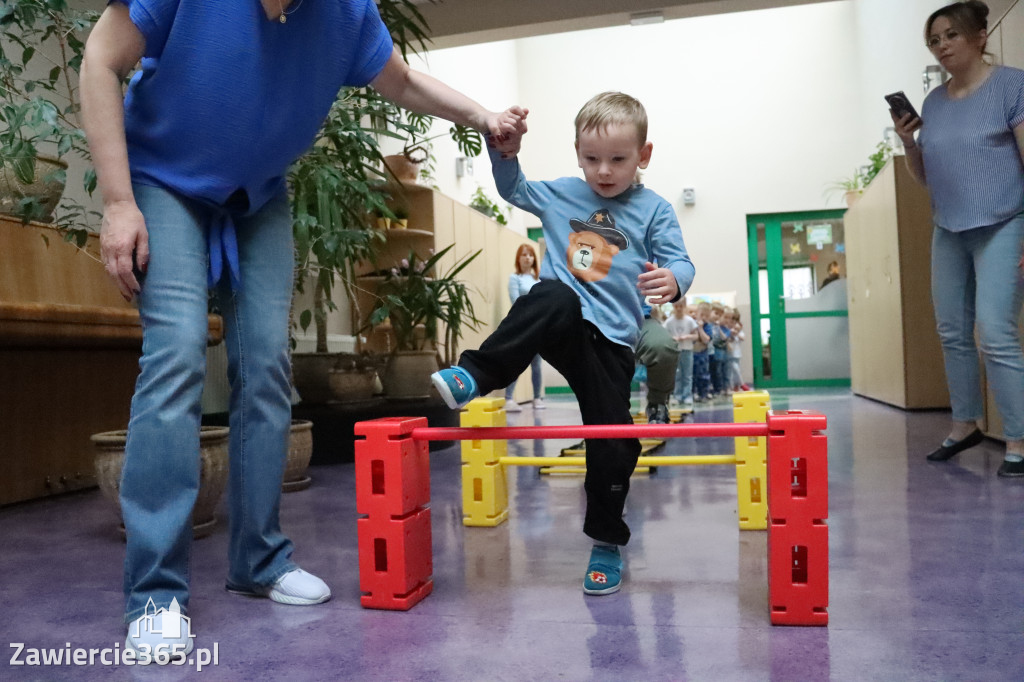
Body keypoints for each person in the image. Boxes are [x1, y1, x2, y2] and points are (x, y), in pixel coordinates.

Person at [80, 0, 527, 660]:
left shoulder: (345, 12)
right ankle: (154, 595)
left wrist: (483, 117)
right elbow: (99, 58)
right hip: (160, 182)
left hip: (255, 196)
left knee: (266, 364)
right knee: (175, 356)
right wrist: (119, 202)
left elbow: (401, 80)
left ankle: (258, 560)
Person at [431, 92, 694, 595]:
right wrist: (504, 151)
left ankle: (606, 540)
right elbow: (514, 188)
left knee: (615, 442)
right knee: (549, 293)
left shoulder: (654, 209)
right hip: (566, 326)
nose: (603, 171)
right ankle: (477, 374)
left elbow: (679, 259)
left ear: (643, 155)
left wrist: (675, 279)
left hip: (613, 344)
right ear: (577, 153)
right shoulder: (563, 194)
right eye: (591, 158)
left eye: (617, 159)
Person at [890, 0, 1024, 477]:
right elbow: (926, 176)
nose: (941, 46)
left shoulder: (1012, 86)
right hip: (948, 227)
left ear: (980, 37)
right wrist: (909, 141)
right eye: (934, 40)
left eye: (950, 35)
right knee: (952, 332)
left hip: (1004, 223)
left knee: (996, 332)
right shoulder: (933, 104)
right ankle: (965, 423)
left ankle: (1018, 439)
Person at [505, 243, 544, 412]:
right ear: (518, 259)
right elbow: (516, 302)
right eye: (524, 255)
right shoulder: (515, 278)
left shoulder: (539, 279)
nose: (528, 258)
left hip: (537, 326)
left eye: (530, 255)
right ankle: (508, 399)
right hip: (521, 326)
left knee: (536, 364)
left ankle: (537, 397)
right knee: (516, 361)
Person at [664, 297, 698, 410]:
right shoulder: (669, 321)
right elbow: (664, 336)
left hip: (687, 350)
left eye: (681, 306)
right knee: (677, 375)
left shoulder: (689, 320)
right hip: (675, 351)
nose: (678, 308)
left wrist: (687, 336)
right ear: (673, 306)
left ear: (684, 306)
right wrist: (672, 338)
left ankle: (687, 396)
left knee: (687, 375)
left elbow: (696, 336)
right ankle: (677, 396)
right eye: (676, 306)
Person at [692, 301, 714, 401]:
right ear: (697, 314)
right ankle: (693, 393)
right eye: (701, 315)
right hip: (692, 353)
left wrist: (700, 328)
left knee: (703, 374)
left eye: (706, 316)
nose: (703, 318)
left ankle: (703, 393)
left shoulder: (708, 326)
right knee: (692, 375)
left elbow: (706, 340)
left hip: (702, 354)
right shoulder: (691, 324)